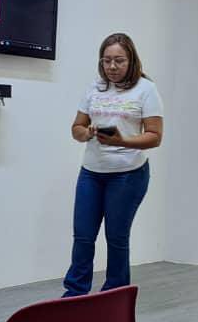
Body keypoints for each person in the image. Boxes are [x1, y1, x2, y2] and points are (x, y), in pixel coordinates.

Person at [62, 33, 164, 297]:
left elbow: (155, 136)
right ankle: (74, 294)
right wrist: (86, 133)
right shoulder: (94, 88)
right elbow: (76, 127)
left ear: (131, 60)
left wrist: (123, 141)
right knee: (83, 236)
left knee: (117, 238)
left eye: (119, 60)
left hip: (128, 175)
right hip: (91, 173)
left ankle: (115, 296)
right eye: (106, 61)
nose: (112, 66)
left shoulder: (146, 89)